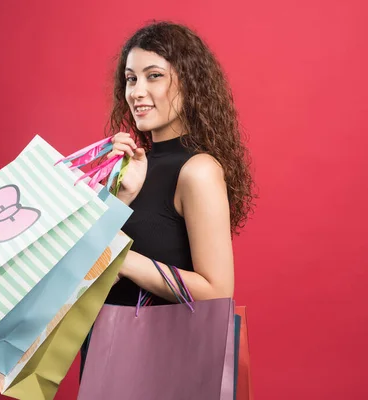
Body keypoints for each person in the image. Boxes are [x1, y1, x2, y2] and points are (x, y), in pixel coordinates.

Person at [79, 20, 255, 376]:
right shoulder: (134, 168)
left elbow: (217, 292)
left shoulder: (198, 170)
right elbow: (83, 273)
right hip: (107, 359)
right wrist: (119, 197)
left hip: (160, 369)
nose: (137, 92)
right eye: (131, 79)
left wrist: (120, 258)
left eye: (153, 75)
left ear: (189, 83)